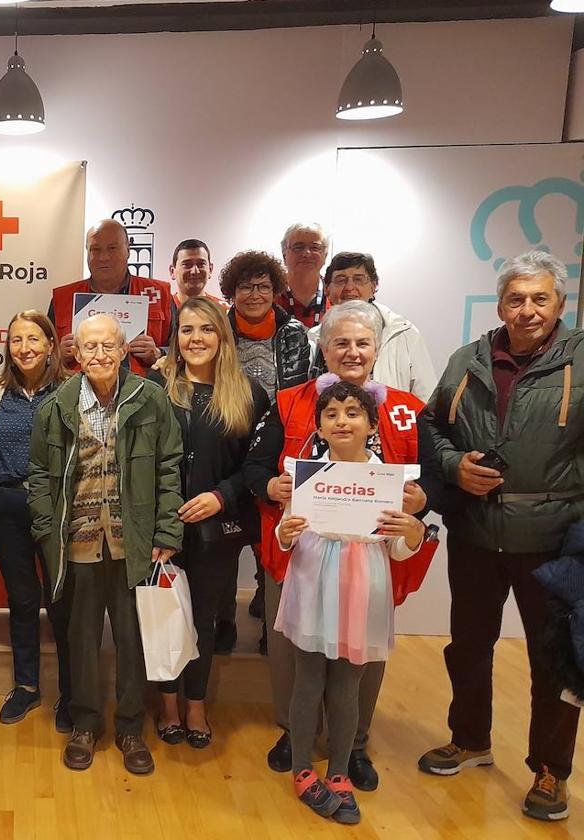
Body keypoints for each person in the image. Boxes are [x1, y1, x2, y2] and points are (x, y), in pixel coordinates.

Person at [244, 299, 442, 794]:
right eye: (341, 343)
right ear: (324, 348)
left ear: (377, 348)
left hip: (368, 561)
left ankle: (353, 745)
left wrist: (423, 498)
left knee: (362, 660)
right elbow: (255, 468)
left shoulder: (406, 408)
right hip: (300, 554)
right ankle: (296, 737)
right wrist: (272, 488)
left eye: (362, 343)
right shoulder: (290, 401)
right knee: (295, 656)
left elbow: (435, 475)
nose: (352, 352)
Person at [419, 250, 584, 823]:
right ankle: (469, 740)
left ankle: (551, 770)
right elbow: (431, 425)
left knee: (553, 661)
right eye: (517, 298)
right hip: (475, 530)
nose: (528, 309)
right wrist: (454, 464)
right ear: (500, 304)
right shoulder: (470, 359)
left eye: (540, 298)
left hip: (554, 540)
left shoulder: (581, 361)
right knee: (467, 645)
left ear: (560, 304)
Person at [28, 313, 184, 776]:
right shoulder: (56, 405)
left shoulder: (151, 399)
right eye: (89, 347)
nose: (98, 355)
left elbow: (170, 468)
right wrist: (44, 528)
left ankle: (131, 727)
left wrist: (167, 532)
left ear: (123, 351)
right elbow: (38, 475)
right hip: (77, 543)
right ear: (75, 353)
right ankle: (85, 723)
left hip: (133, 544)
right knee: (81, 639)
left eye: (108, 346)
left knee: (133, 640)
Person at [276, 379, 427, 826]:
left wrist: (413, 532)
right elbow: (289, 532)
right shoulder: (306, 474)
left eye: (353, 412)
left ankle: (339, 770)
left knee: (348, 684)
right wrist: (285, 534)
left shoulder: (389, 480)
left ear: (371, 424)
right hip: (313, 579)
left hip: (364, 586)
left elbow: (400, 546)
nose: (342, 420)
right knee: (308, 679)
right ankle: (303, 766)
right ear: (319, 427)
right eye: (332, 414)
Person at [149, 298, 269, 748]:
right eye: (186, 330)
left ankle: (195, 703)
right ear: (176, 339)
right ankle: (166, 703)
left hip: (217, 531)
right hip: (162, 529)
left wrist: (221, 497)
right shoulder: (156, 389)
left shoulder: (249, 394)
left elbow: (256, 466)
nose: (195, 339)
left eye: (206, 329)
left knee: (202, 619)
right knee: (164, 618)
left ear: (223, 337)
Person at [0, 310, 70, 730]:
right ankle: (27, 685)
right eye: (16, 340)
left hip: (58, 507)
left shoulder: (70, 390)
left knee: (63, 599)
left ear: (51, 344)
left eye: (34, 339)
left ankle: (72, 689)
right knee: (22, 598)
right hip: (7, 506)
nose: (25, 348)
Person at [217, 250, 311, 654]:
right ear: (231, 292)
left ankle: (268, 614)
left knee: (270, 539)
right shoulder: (216, 327)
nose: (254, 294)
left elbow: (297, 390)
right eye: (245, 286)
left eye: (263, 286)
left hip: (274, 444)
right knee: (221, 540)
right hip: (223, 439)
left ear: (276, 290)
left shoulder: (293, 333)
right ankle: (221, 618)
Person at [47, 219, 175, 375]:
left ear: (128, 250)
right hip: (78, 393)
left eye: (112, 248)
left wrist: (159, 353)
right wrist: (57, 355)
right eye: (95, 249)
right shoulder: (63, 298)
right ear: (87, 253)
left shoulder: (159, 294)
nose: (104, 257)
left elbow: (182, 350)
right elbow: (43, 354)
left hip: (145, 393)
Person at [308, 252, 437, 401]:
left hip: (390, 422)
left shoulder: (403, 334)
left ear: (374, 286)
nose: (350, 287)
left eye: (358, 279)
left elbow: (426, 400)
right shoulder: (313, 338)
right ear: (327, 289)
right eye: (340, 280)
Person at [278, 222, 329, 329]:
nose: (306, 253)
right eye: (298, 247)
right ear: (284, 255)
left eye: (315, 248)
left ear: (325, 255)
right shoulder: (269, 295)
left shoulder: (334, 295)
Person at [169, 239, 228, 309]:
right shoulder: (164, 311)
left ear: (210, 269)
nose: (195, 271)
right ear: (172, 271)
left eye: (201, 264)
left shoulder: (223, 311)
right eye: (187, 264)